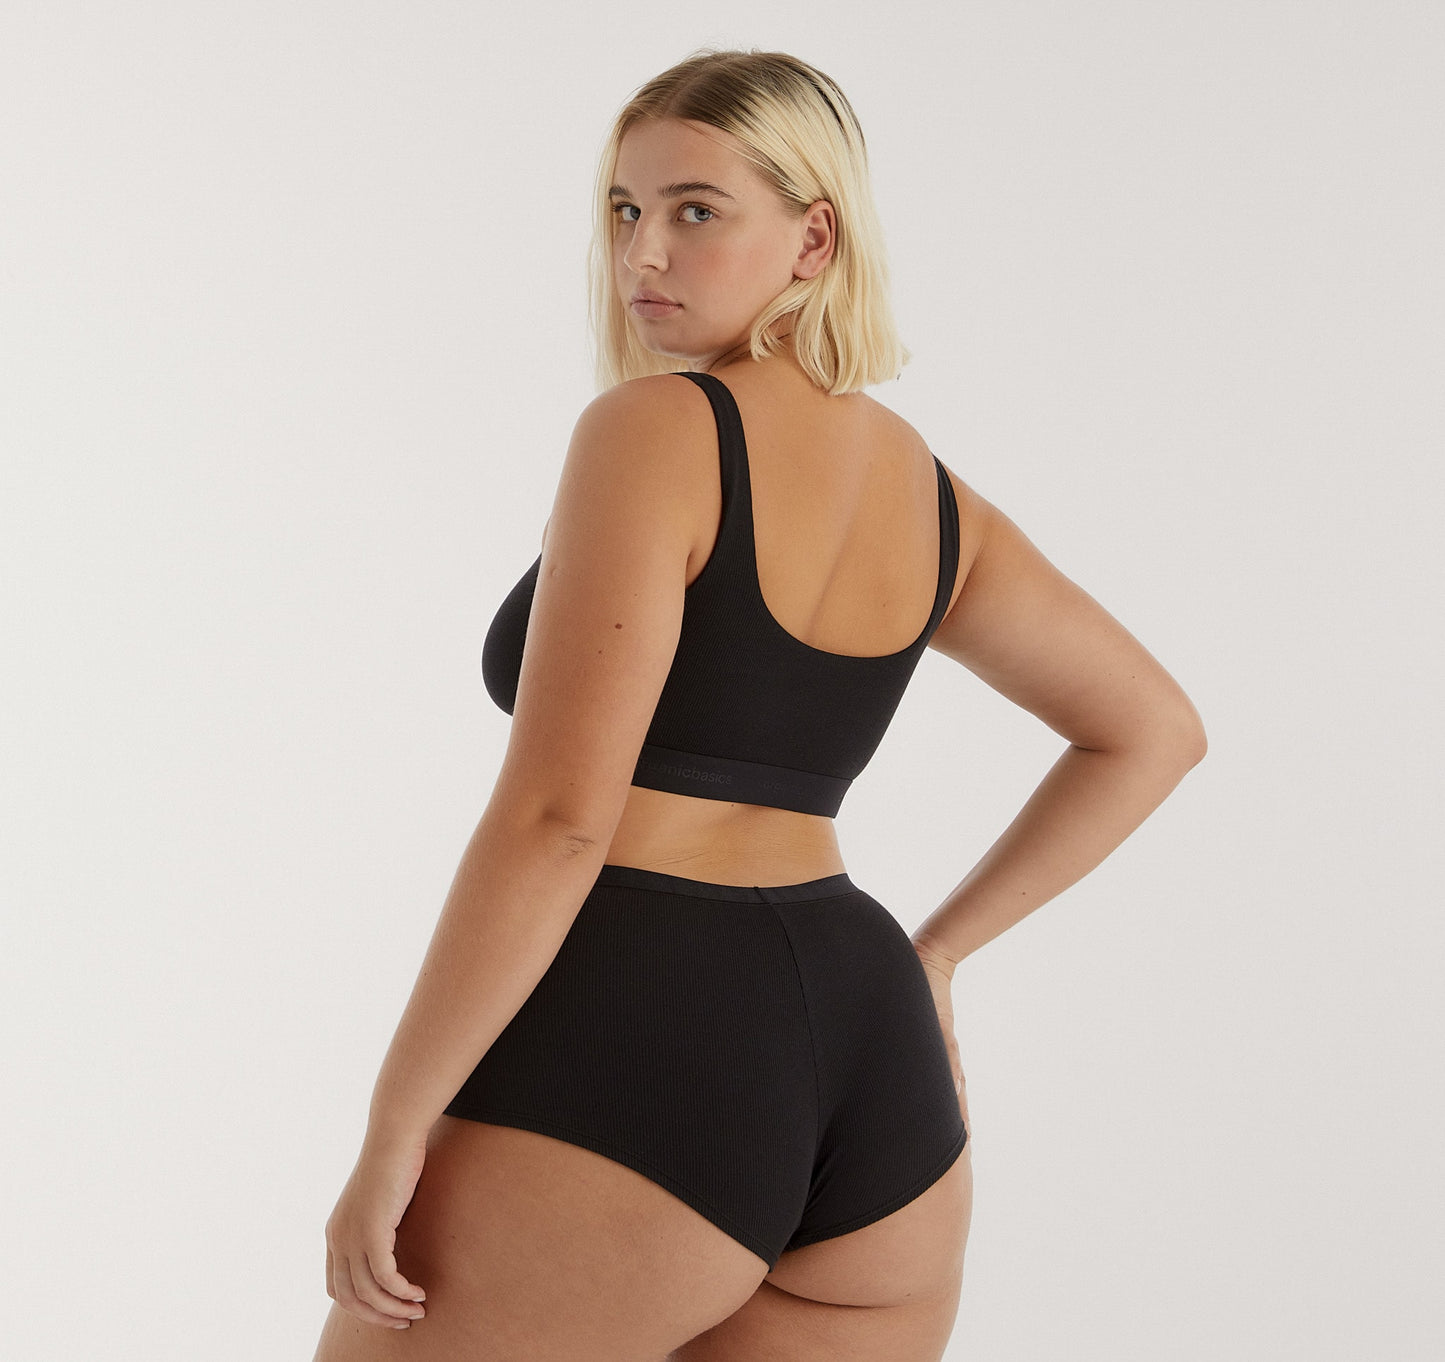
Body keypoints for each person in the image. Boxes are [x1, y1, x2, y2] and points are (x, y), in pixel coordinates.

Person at [312, 47, 1207, 1362]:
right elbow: (1153, 729)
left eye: (695, 210)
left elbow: (561, 820)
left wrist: (395, 1123)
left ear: (814, 236)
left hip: (650, 1028)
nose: (644, 252)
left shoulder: (654, 429)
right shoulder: (930, 495)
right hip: (877, 1072)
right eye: (625, 210)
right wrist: (933, 956)